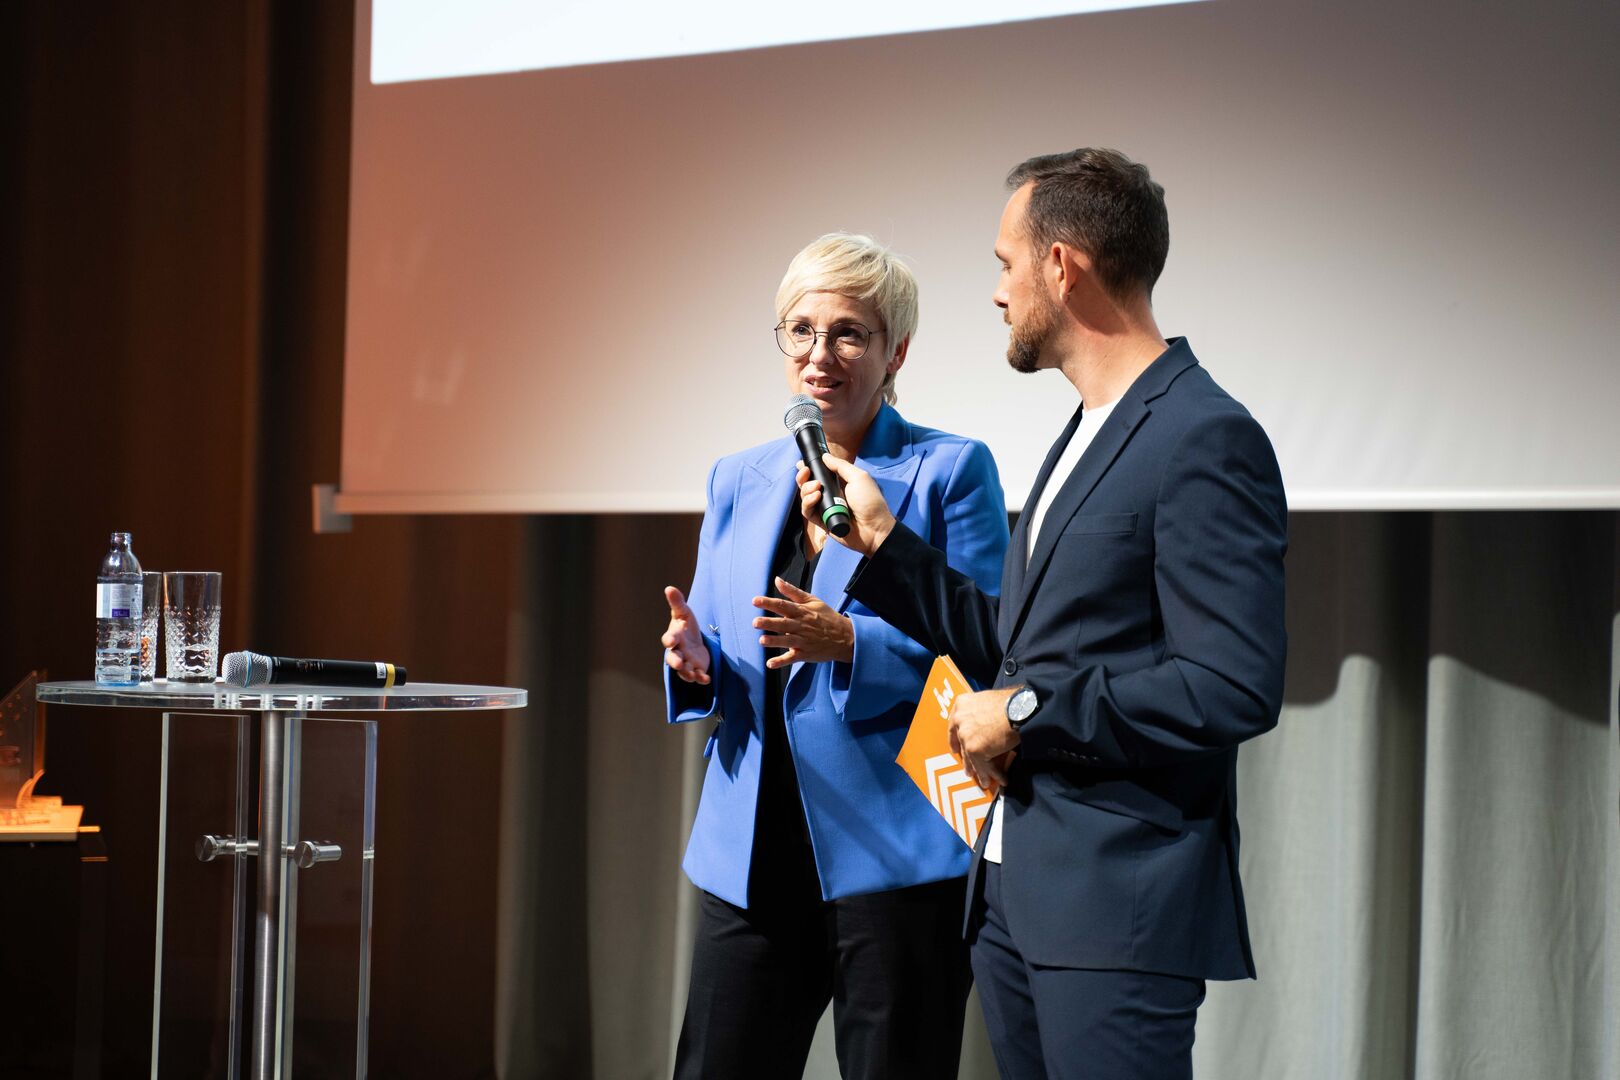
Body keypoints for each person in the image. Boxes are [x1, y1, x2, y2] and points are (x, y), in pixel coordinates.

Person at [799, 150, 1289, 1079]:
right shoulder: (1086, 430)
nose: (997, 292)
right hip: (1015, 897)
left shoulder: (1204, 435)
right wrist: (885, 547)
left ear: (1060, 267)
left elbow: (1232, 684)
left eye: (1005, 264)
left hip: (1116, 911)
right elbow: (1017, 646)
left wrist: (1023, 713)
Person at [660, 232, 1009, 1079]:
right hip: (751, 849)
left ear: (897, 352)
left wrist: (850, 642)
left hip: (896, 848)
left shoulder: (950, 471)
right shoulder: (736, 478)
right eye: (801, 330)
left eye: (849, 333)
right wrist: (693, 657)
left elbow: (989, 648)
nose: (820, 355)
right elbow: (725, 638)